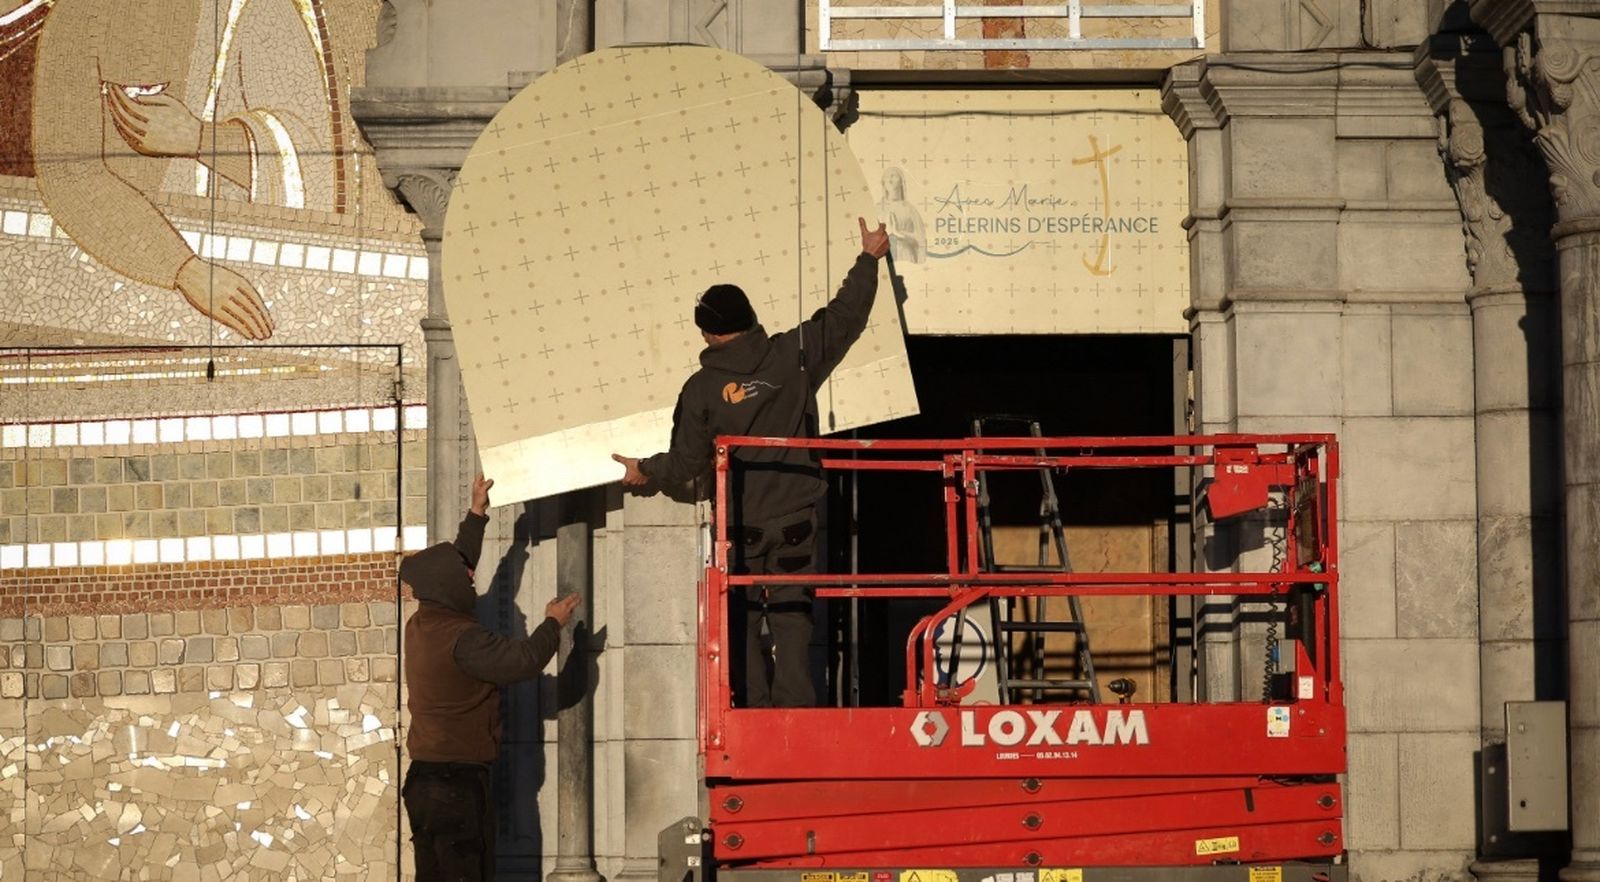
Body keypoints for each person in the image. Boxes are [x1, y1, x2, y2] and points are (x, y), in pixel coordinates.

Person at [612, 217, 892, 708]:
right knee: (791, 615)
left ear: (708, 332)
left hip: (740, 521)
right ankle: (797, 708)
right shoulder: (794, 354)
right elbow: (845, 317)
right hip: (797, 516)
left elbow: (685, 463)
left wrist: (645, 469)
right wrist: (868, 259)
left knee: (739, 613)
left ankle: (754, 707)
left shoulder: (700, 389)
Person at [400, 474, 581, 882]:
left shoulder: (422, 622)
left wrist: (477, 512)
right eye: (466, 579)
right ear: (448, 586)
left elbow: (455, 564)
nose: (472, 580)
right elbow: (523, 662)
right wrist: (552, 624)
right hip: (456, 786)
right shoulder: (463, 639)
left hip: (425, 782)